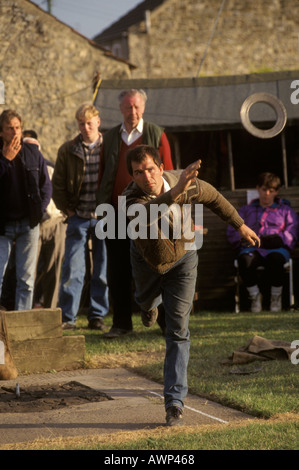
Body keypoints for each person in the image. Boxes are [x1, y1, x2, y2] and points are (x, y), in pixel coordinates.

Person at [121, 144, 260, 426]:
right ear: (132, 177)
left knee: (178, 331)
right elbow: (148, 213)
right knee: (146, 304)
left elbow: (215, 198)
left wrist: (240, 225)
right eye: (138, 172)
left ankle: (174, 404)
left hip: (183, 261)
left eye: (150, 168)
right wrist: (175, 193)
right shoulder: (130, 199)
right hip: (148, 265)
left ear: (160, 168)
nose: (146, 176)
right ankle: (148, 306)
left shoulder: (184, 182)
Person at [96, 89, 173, 338]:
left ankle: (165, 324)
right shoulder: (108, 138)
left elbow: (170, 172)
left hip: (149, 212)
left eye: (137, 107)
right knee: (117, 269)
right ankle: (121, 324)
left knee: (155, 265)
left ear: (143, 108)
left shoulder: (156, 134)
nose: (133, 112)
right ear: (120, 109)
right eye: (128, 107)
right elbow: (103, 175)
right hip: (116, 212)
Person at [52, 104, 109, 330]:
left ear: (98, 122)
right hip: (78, 215)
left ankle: (97, 315)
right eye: (81, 123)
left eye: (89, 122)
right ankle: (68, 317)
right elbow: (57, 184)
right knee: (73, 268)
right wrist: (68, 210)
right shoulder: (68, 149)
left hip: (105, 216)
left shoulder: (109, 146)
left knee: (102, 268)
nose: (85, 127)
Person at [0, 109, 52, 310]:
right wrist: (5, 160)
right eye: (9, 129)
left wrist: (39, 210)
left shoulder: (32, 153)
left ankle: (22, 326)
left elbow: (46, 186)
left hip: (28, 223)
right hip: (2, 226)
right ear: (1, 132)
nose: (14, 133)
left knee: (27, 279)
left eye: (17, 128)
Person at [227, 172, 299, 313]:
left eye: (271, 191)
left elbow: (293, 231)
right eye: (263, 190)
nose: (266, 194)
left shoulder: (286, 211)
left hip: (277, 248)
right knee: (245, 261)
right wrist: (244, 241)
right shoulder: (246, 210)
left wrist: (279, 240)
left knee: (276, 260)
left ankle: (276, 298)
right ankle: (255, 297)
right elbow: (234, 229)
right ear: (257, 189)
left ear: (276, 192)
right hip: (252, 248)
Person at [22, 130, 66, 309]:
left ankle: (51, 311)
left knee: (53, 270)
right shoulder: (16, 169)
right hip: (31, 224)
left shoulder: (51, 167)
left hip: (55, 221)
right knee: (27, 271)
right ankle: (25, 310)